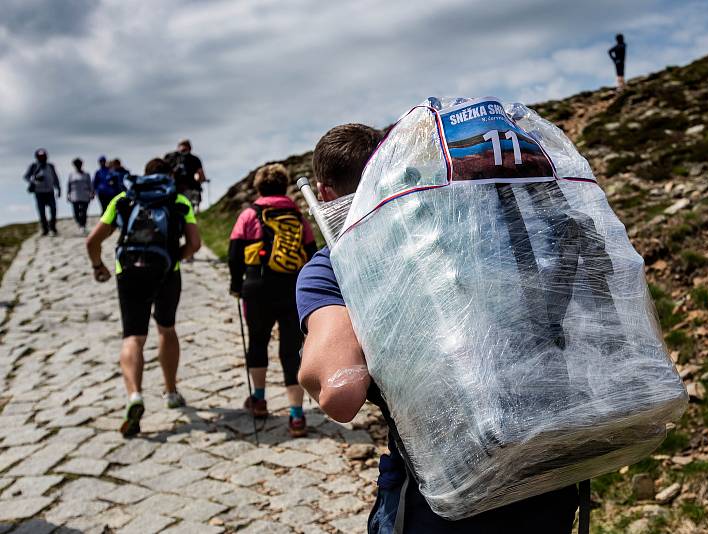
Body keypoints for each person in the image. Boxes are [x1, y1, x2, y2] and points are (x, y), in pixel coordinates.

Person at [296, 124, 579, 533]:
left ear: (324, 195)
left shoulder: (331, 265)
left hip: (449, 492)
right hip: (549, 467)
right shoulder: (461, 226)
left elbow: (340, 395)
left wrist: (311, 363)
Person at [86, 157, 201, 438]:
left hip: (128, 272)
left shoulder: (124, 199)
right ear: (168, 176)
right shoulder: (179, 201)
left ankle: (135, 395)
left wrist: (98, 266)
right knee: (166, 329)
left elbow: (92, 241)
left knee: (133, 337)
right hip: (166, 273)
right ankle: (171, 391)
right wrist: (175, 258)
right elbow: (195, 243)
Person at [228, 163, 317, 436]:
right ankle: (297, 415)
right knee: (291, 350)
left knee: (258, 341)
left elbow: (234, 253)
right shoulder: (297, 215)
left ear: (258, 188)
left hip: (257, 287)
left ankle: (259, 399)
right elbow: (311, 251)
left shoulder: (249, 214)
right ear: (284, 184)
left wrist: (236, 285)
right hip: (291, 289)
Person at [23, 148, 61, 237]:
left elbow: (55, 178)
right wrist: (34, 180)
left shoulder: (50, 166)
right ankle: (45, 229)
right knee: (42, 212)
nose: (42, 158)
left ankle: (53, 227)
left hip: (50, 191)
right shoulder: (34, 166)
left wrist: (58, 188)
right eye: (40, 157)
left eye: (43, 156)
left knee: (53, 209)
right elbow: (26, 177)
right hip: (39, 192)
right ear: (37, 157)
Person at [164, 139, 206, 213]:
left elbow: (200, 174)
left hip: (172, 188)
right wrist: (199, 182)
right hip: (184, 188)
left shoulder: (170, 156)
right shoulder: (194, 159)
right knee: (188, 209)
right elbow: (201, 175)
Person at [67, 158, 93, 234]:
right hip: (74, 196)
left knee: (84, 212)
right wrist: (68, 195)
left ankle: (83, 225)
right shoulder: (71, 175)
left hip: (85, 196)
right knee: (76, 212)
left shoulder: (86, 174)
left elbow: (90, 184)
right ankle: (79, 223)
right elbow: (69, 185)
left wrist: (92, 193)